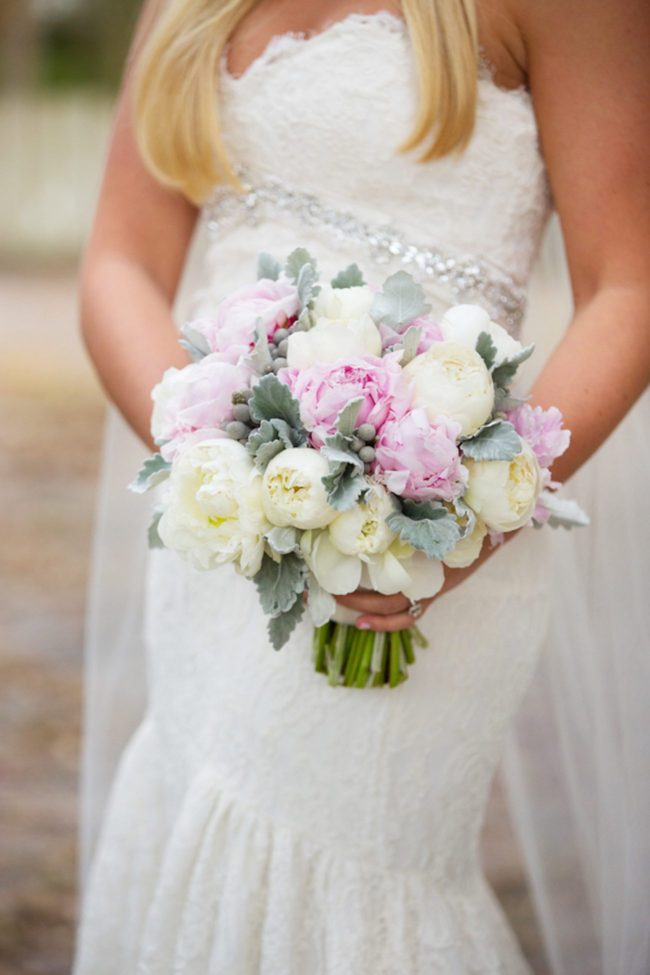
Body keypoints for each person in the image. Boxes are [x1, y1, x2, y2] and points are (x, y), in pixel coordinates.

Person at [72, 1, 650, 972]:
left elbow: (627, 283)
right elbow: (120, 260)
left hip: (437, 535)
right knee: (197, 807)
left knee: (353, 867)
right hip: (223, 536)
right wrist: (217, 465)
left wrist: (462, 519)